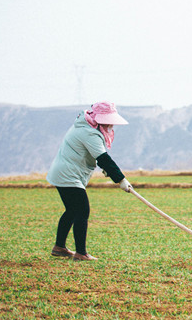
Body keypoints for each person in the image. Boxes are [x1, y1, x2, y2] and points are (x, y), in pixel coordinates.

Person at [46, 101, 133, 261]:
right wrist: (121, 179)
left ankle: (59, 247)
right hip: (68, 174)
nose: (111, 125)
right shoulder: (89, 133)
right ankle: (81, 253)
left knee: (72, 211)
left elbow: (97, 156)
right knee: (82, 211)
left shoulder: (85, 126)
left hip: (64, 172)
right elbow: (103, 158)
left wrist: (107, 170)